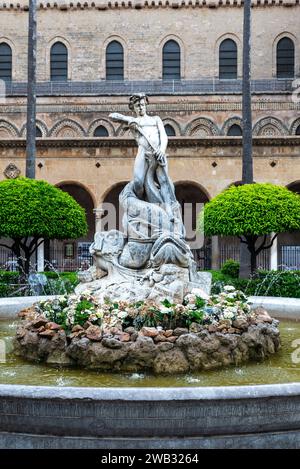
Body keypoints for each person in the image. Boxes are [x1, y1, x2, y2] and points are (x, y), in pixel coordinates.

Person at [109, 93, 177, 220]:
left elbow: (164, 136)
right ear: (133, 108)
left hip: (158, 153)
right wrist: (127, 120)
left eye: (142, 105)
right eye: (137, 106)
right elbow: (112, 116)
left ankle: (168, 210)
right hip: (143, 151)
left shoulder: (155, 119)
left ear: (146, 105)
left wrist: (162, 150)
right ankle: (143, 206)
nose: (140, 108)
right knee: (138, 181)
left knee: (164, 181)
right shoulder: (133, 122)